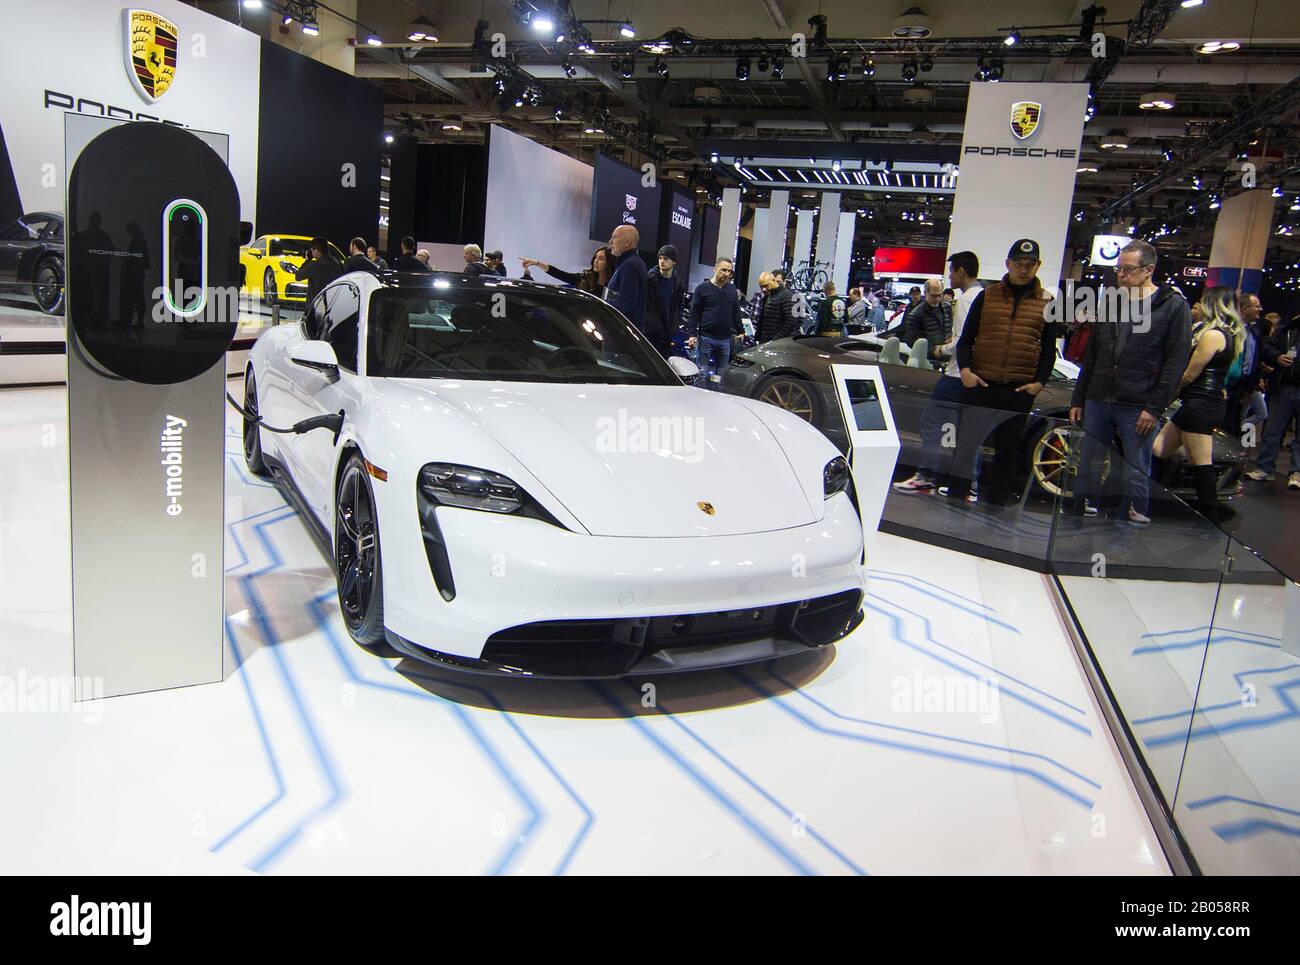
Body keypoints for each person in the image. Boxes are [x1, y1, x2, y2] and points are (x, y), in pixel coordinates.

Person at [1070, 240, 1192, 524]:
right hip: (1099, 397)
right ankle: (1078, 511)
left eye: (1127, 269)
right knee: (1088, 461)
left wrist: (1154, 407)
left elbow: (1175, 363)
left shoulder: (1172, 306)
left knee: (1135, 466)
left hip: (1138, 403)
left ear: (1148, 270)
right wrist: (1079, 397)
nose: (1121, 275)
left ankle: (1133, 518)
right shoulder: (1111, 302)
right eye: (1118, 269)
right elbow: (1092, 356)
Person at [948, 239, 1057, 507]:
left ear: (1038, 266)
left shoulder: (1047, 302)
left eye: (1030, 265)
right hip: (981, 385)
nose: (1024, 269)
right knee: (965, 447)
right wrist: (965, 371)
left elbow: (1048, 349)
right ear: (1008, 264)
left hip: (1018, 391)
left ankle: (995, 507)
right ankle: (954, 500)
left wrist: (1039, 383)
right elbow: (966, 340)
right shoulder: (987, 295)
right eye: (1018, 263)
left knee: (1007, 451)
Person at [1150, 286, 1242, 518]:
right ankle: (1153, 496)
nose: (1197, 306)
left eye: (1201, 302)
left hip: (1199, 404)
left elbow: (1190, 375)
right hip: (1201, 403)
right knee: (1158, 449)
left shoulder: (1212, 335)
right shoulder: (1227, 335)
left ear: (1211, 304)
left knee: (1201, 462)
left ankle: (1208, 515)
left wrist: (1165, 398)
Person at [894, 251, 982, 494]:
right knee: (969, 431)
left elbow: (964, 340)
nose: (950, 277)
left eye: (952, 271)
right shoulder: (982, 295)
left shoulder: (965, 300)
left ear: (962, 272)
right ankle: (969, 483)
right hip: (973, 374)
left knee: (931, 420)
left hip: (956, 374)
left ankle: (926, 475)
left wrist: (942, 349)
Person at [1247, 310, 1300, 489]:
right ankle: (1265, 467)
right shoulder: (1287, 330)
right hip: (1283, 387)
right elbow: (1267, 347)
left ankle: (1296, 472)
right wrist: (1277, 357)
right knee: (1272, 430)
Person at [687, 257, 742, 388]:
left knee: (720, 375)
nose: (727, 274)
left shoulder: (731, 290)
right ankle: (698, 399)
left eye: (729, 271)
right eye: (723, 270)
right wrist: (692, 334)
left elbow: (736, 312)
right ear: (715, 269)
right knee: (702, 373)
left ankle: (716, 398)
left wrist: (741, 331)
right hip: (706, 338)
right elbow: (694, 313)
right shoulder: (702, 289)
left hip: (725, 340)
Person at [603, 224, 649, 334]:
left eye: (614, 237)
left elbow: (626, 302)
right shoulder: (631, 263)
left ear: (627, 242)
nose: (610, 242)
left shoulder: (630, 265)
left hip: (621, 334)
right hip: (623, 332)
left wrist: (601, 306)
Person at [643, 244, 686, 356]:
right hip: (650, 332)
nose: (662, 261)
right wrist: (649, 322)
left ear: (674, 262)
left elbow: (679, 306)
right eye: (660, 258)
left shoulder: (678, 283)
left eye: (665, 258)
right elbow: (644, 302)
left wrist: (675, 324)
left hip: (668, 333)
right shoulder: (650, 278)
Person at [520, 246, 612, 295]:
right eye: (596, 257)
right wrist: (537, 263)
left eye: (601, 258)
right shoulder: (584, 278)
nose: (596, 261)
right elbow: (559, 274)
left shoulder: (614, 286)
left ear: (609, 262)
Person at [901, 278, 949, 361]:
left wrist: (949, 338)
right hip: (928, 359)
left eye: (939, 295)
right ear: (925, 293)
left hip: (946, 353)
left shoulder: (946, 307)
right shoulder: (915, 314)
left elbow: (948, 326)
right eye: (933, 296)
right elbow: (910, 340)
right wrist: (932, 352)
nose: (937, 299)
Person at [293, 237, 343, 308]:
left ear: (316, 251)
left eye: (312, 250)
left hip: (316, 307)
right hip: (333, 306)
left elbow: (298, 276)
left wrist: (307, 260)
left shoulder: (314, 265)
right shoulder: (339, 264)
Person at [756, 270, 798, 342]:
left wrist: (776, 339)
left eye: (766, 285)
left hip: (779, 343)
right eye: (761, 286)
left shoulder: (787, 296)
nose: (764, 289)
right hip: (768, 342)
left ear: (774, 280)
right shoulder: (768, 296)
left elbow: (791, 321)